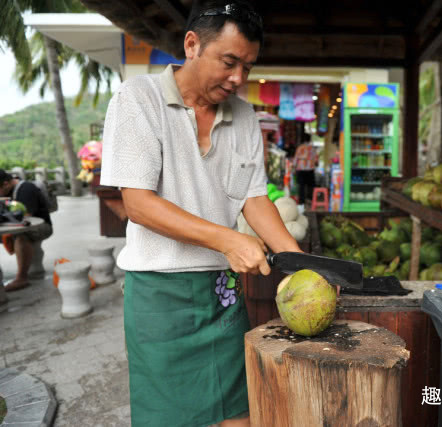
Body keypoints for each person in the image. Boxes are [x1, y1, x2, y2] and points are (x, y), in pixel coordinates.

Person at [100, 2, 302, 426]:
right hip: (159, 295)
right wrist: (230, 240)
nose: (238, 79)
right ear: (192, 44)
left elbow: (253, 197)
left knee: (238, 415)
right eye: (229, 62)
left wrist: (301, 265)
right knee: (167, 418)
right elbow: (137, 203)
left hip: (221, 293)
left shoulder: (244, 114)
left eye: (247, 67)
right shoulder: (139, 99)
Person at [0, 169, 53, 291]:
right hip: (16, 225)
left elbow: (26, 219)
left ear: (6, 184)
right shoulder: (6, 190)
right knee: (17, 233)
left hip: (42, 226)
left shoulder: (25, 189)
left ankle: (21, 278)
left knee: (21, 236)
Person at [292, 132, 318, 207]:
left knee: (301, 186)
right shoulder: (313, 148)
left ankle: (301, 202)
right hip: (310, 169)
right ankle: (310, 200)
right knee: (310, 185)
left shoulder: (300, 147)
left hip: (301, 169)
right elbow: (316, 161)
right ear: (310, 139)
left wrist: (293, 167)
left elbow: (295, 159)